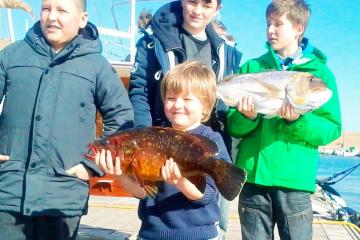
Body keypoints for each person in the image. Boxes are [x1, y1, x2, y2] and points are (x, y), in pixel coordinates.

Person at [0, 0, 133, 239]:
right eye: (46, 9)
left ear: (82, 19)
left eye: (62, 10)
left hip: (63, 195)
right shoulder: (11, 56)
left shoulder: (97, 66)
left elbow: (122, 119)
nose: (52, 17)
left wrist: (91, 165)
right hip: (9, 191)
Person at [227, 0, 342, 239]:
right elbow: (234, 127)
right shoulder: (252, 66)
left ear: (298, 28)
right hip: (253, 180)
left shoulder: (320, 74)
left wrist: (297, 121)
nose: (270, 30)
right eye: (268, 23)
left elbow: (331, 128)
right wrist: (247, 117)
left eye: (278, 24)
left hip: (294, 183)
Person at [129, 1, 241, 237]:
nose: (198, 10)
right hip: (161, 141)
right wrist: (143, 138)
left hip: (206, 143)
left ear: (218, 8)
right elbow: (139, 89)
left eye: (206, 4)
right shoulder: (154, 40)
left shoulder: (226, 50)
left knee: (210, 211)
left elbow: (225, 102)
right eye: (192, 1)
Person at [96, 60, 232, 240]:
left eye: (187, 99)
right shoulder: (151, 134)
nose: (177, 105)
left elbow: (205, 196)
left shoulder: (211, 139)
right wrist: (119, 174)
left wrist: (180, 181)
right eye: (171, 98)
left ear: (205, 106)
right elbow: (142, 193)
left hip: (199, 235)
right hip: (152, 234)